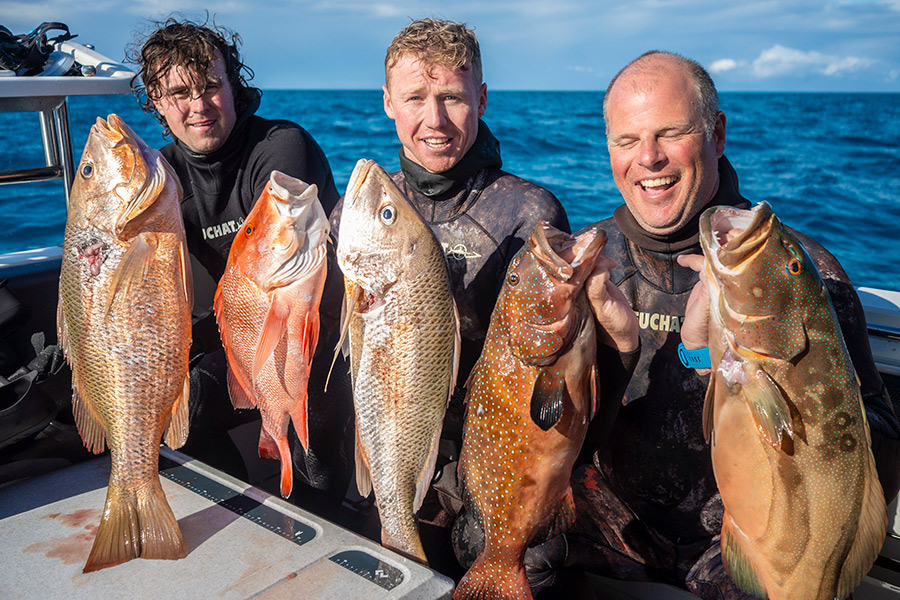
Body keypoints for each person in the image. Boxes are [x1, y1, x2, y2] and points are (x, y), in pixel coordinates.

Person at [529, 50, 900, 599]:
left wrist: (718, 360)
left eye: (671, 133)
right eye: (628, 140)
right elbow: (553, 443)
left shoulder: (794, 272)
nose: (648, 158)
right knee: (503, 543)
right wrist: (620, 352)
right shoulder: (586, 266)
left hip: (743, 537)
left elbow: (882, 457)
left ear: (717, 133)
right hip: (617, 522)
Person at [328, 17, 627, 573]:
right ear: (388, 102)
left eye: (453, 98)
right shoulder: (359, 215)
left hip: (493, 455)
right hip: (390, 440)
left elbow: (553, 375)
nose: (435, 119)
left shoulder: (528, 213)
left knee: (536, 566)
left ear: (482, 99)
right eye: (415, 98)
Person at [129, 17, 354, 518]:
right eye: (179, 92)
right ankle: (245, 520)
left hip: (310, 335)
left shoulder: (280, 146)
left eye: (211, 85)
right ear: (157, 101)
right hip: (226, 339)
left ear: (233, 84)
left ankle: (319, 530)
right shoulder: (161, 177)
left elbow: (283, 264)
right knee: (183, 411)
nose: (199, 105)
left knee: (311, 441)